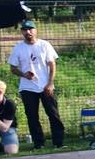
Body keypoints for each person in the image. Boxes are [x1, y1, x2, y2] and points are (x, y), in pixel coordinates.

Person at [7, 19, 65, 149]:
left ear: (35, 30)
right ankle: (39, 143)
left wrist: (50, 83)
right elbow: (13, 68)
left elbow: (52, 64)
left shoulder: (45, 45)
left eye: (30, 29)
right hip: (28, 87)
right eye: (25, 30)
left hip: (45, 86)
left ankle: (59, 142)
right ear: (22, 32)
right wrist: (24, 74)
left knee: (53, 114)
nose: (28, 32)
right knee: (32, 117)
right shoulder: (18, 48)